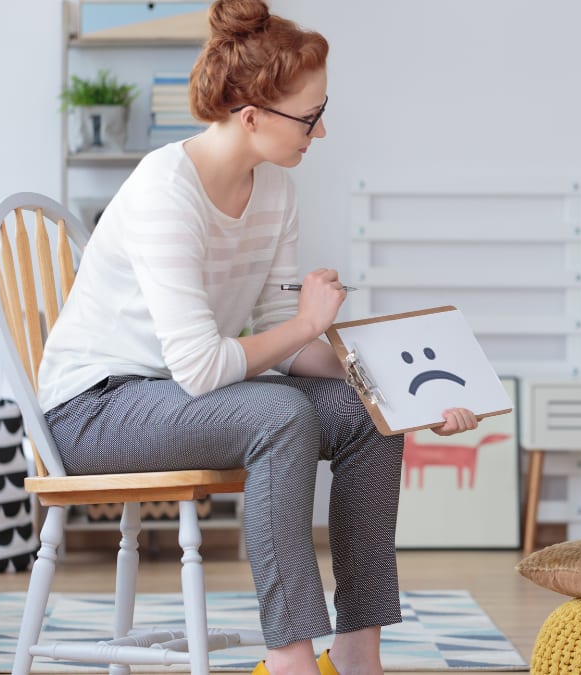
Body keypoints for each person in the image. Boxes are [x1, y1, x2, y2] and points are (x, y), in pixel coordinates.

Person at [37, 1, 478, 674]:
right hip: (93, 408)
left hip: (178, 393)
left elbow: (286, 343)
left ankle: (360, 651)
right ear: (251, 117)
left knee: (367, 414)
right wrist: (306, 321)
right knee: (279, 413)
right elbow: (205, 365)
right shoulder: (165, 191)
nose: (321, 130)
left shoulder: (274, 191)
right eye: (309, 117)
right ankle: (290, 657)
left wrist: (390, 386)